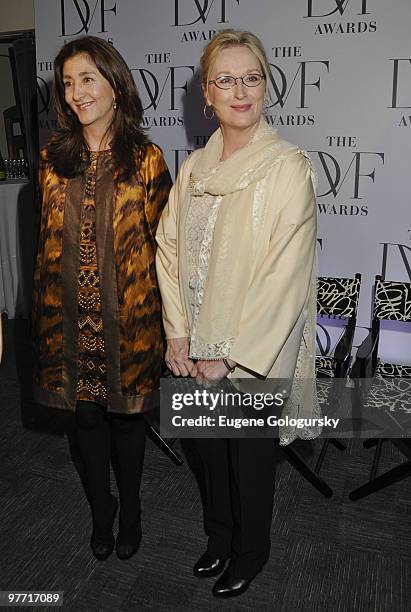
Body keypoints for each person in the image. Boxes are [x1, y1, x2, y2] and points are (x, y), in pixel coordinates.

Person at [156, 29, 319, 598]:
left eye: (251, 77)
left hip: (250, 354)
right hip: (195, 345)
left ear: (266, 85)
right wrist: (178, 333)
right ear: (208, 94)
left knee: (248, 464)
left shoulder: (288, 167)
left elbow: (286, 273)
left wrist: (227, 353)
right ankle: (219, 539)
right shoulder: (195, 169)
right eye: (226, 80)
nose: (240, 90)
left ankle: (252, 552)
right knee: (210, 456)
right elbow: (168, 250)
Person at [33, 36, 172, 561]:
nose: (75, 93)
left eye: (87, 79)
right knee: (85, 418)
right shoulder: (51, 159)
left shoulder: (147, 159)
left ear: (115, 84)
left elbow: (167, 250)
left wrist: (171, 326)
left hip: (129, 319)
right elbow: (42, 248)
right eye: (67, 83)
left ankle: (131, 510)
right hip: (68, 320)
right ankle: (102, 510)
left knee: (127, 420)